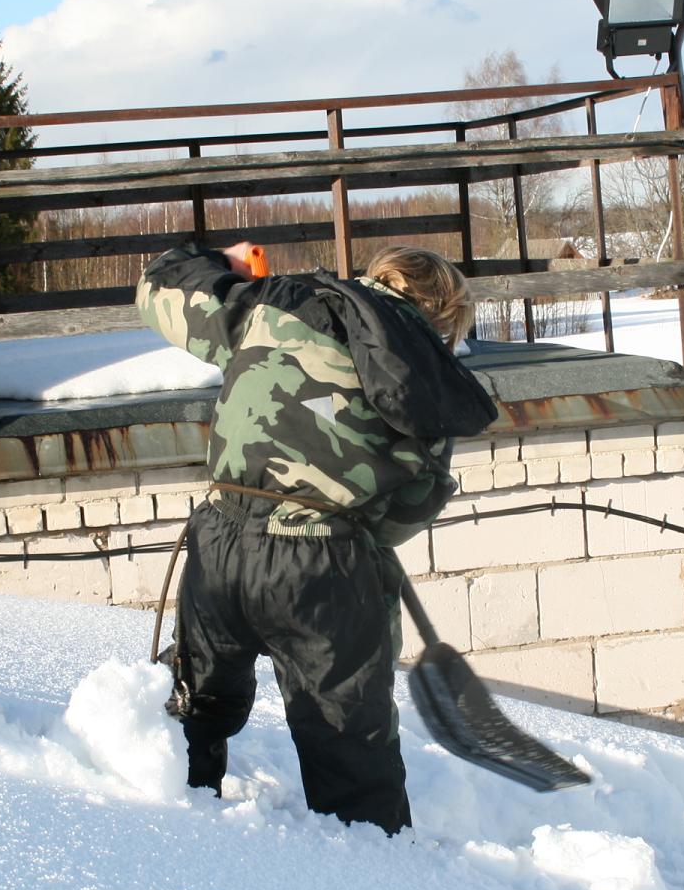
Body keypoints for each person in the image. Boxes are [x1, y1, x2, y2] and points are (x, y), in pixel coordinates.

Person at [136, 240, 496, 833]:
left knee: (193, 713)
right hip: (324, 567)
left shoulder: (279, 303)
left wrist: (223, 261)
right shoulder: (427, 376)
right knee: (349, 752)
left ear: (377, 276)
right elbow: (411, 505)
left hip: (220, 539)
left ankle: (176, 844)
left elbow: (160, 286)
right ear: (447, 315)